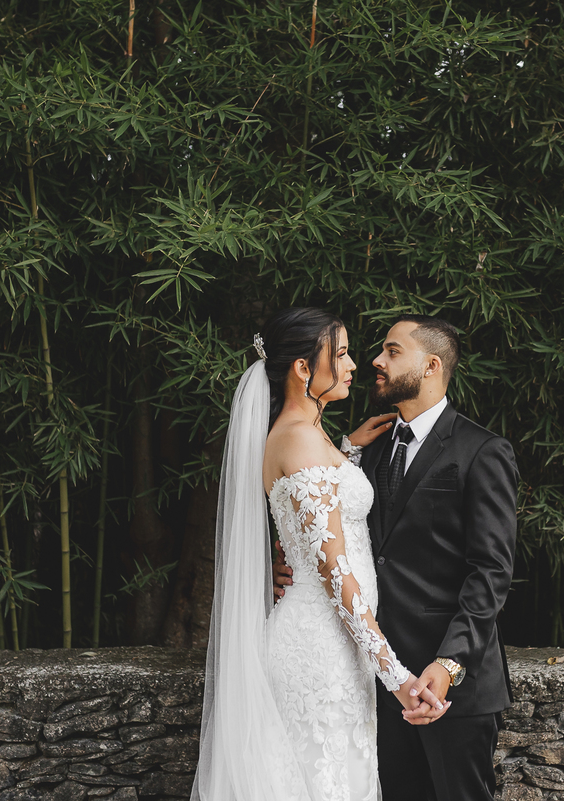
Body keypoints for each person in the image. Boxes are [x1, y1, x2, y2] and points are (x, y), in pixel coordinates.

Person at [190, 307, 445, 801]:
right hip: (318, 649)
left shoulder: (307, 436)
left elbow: (315, 505)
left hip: (335, 645)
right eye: (343, 354)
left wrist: (346, 451)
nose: (354, 365)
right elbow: (336, 576)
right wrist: (396, 676)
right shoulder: (301, 440)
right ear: (304, 369)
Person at [275, 315, 520, 801]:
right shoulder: (370, 445)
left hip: (450, 686)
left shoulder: (482, 451)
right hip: (376, 679)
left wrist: (449, 664)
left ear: (430, 366)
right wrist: (283, 562)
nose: (374, 362)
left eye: (391, 351)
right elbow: (325, 526)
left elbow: (491, 573)